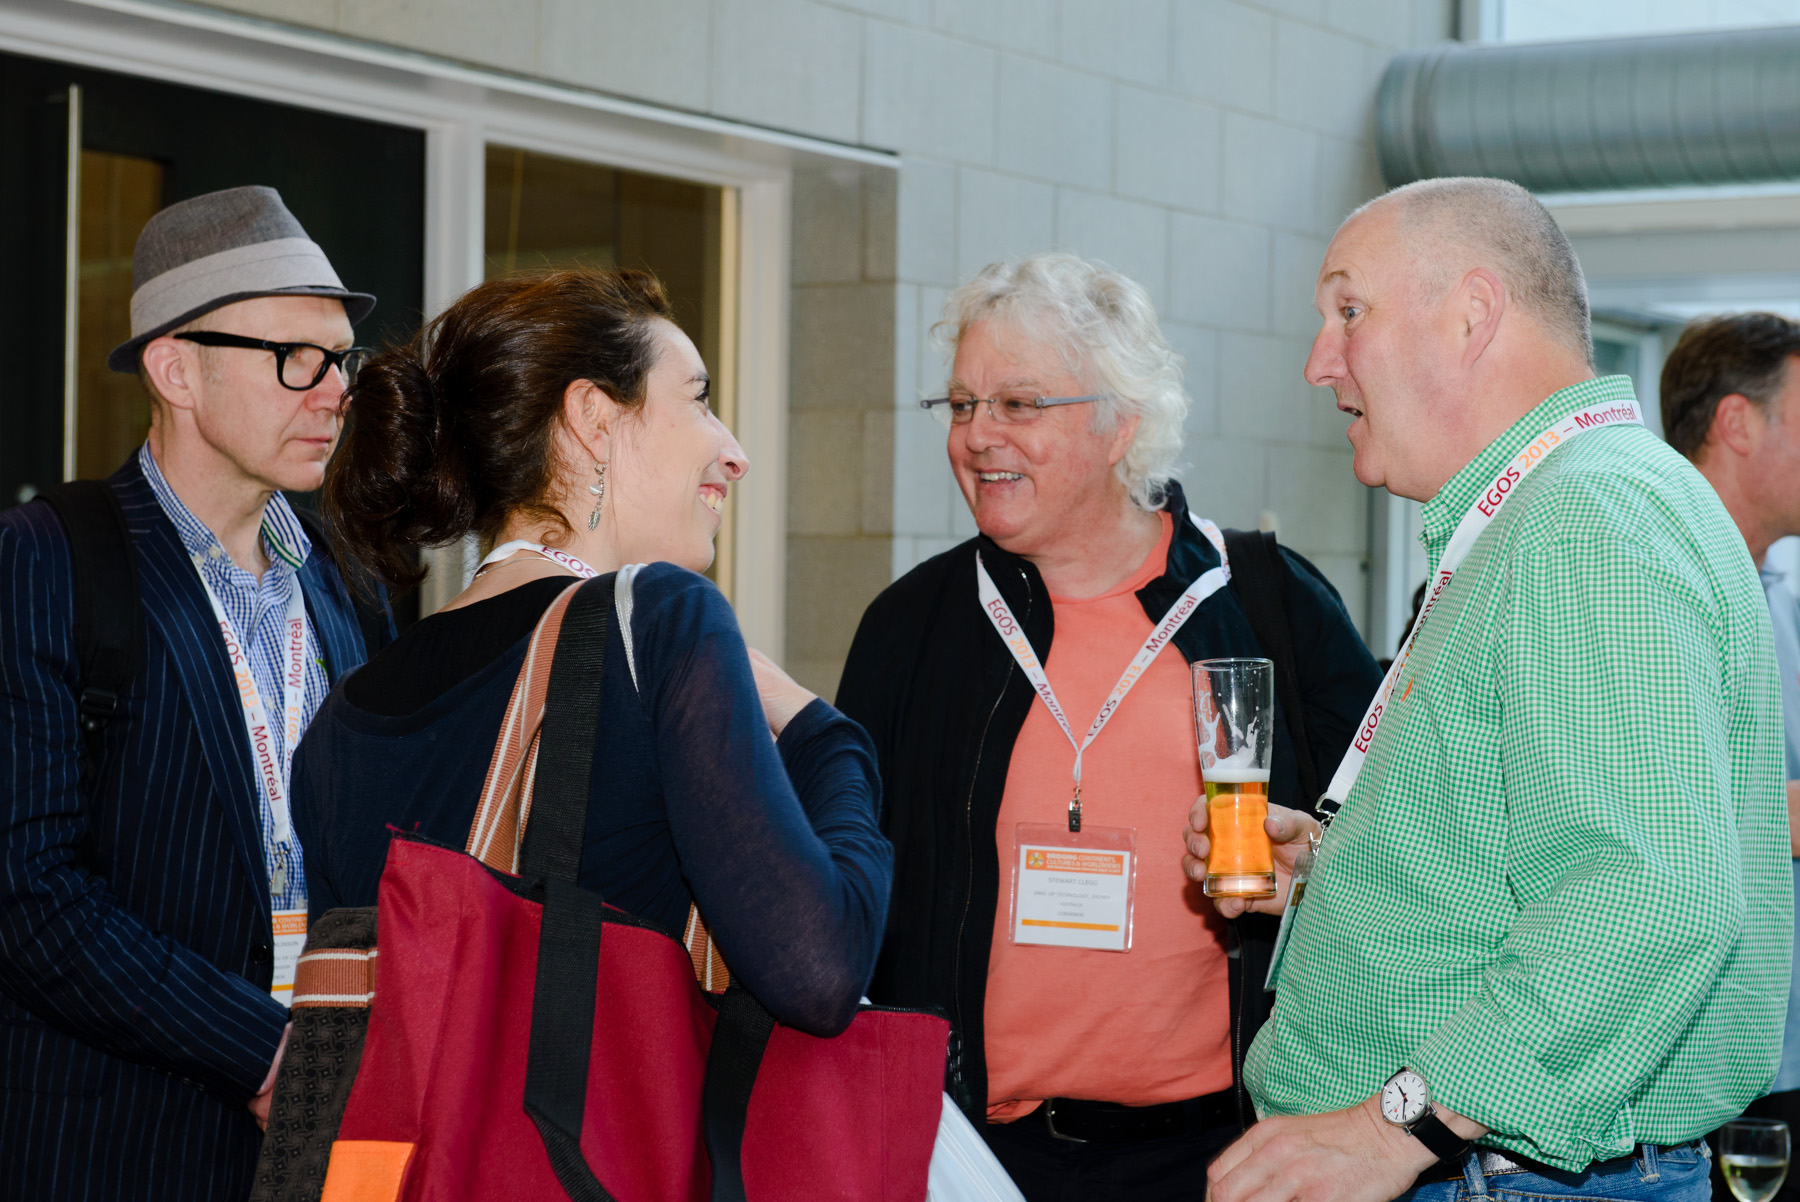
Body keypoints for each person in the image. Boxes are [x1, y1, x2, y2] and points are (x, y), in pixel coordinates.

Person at [1195, 177, 1789, 1202]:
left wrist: (1393, 1129)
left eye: (1349, 309)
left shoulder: (1585, 521)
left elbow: (1646, 895)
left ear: (1472, 315)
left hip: (1498, 1175)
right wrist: (1342, 869)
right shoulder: (1552, 511)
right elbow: (1543, 849)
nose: (1319, 360)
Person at [835, 252, 1382, 1202]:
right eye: (961, 405)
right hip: (969, 1158)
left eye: (1018, 403)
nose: (977, 435)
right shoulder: (913, 629)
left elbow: (1402, 858)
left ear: (1121, 422)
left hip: (1221, 1157)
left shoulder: (1267, 605)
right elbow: (850, 891)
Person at [291, 267, 890, 1037]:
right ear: (592, 419)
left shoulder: (340, 721)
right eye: (699, 399)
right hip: (602, 1123)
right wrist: (823, 734)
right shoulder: (660, 626)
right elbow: (819, 970)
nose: (734, 453)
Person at [0, 185, 386, 1199]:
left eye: (339, 358)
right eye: (293, 357)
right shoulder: (47, 558)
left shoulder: (345, 580)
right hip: (110, 1139)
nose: (332, 391)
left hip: (320, 1133)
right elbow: (26, 889)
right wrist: (259, 1050)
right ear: (175, 368)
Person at [1660, 312, 1800, 1201]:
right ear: (1738, 423)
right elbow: (1652, 815)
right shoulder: (1648, 585)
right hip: (1696, 1069)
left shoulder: (1781, 594)